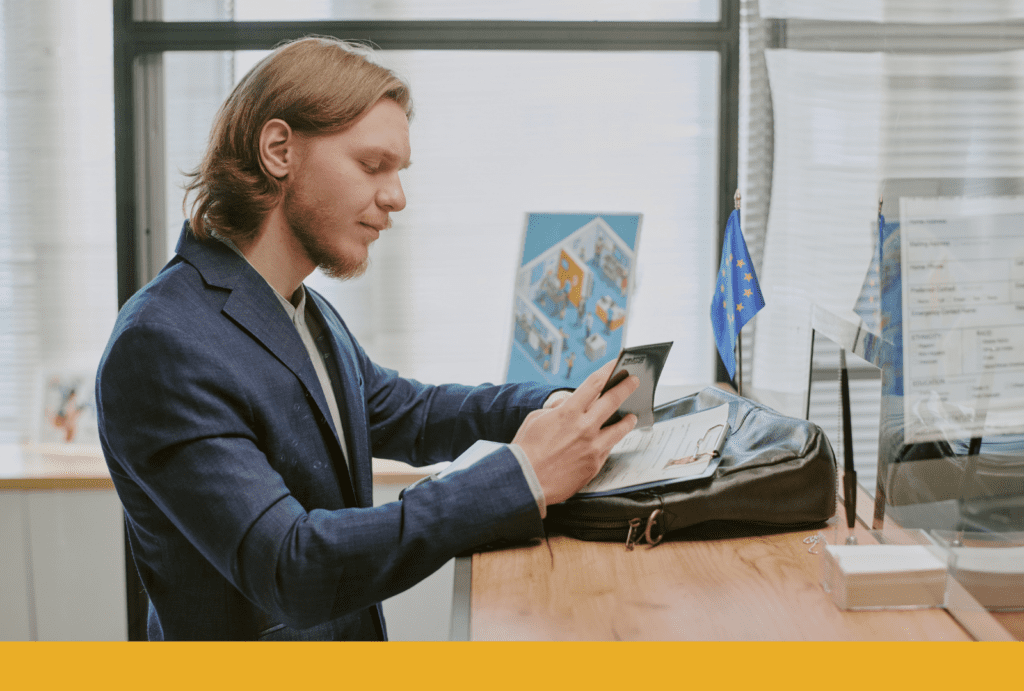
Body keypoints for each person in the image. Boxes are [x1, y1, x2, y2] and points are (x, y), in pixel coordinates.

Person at [95, 37, 638, 641]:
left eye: (399, 172)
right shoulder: (162, 344)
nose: (396, 198)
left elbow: (408, 411)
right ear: (279, 150)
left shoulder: (301, 308)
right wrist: (522, 475)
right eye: (372, 165)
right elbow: (291, 566)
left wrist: (554, 407)